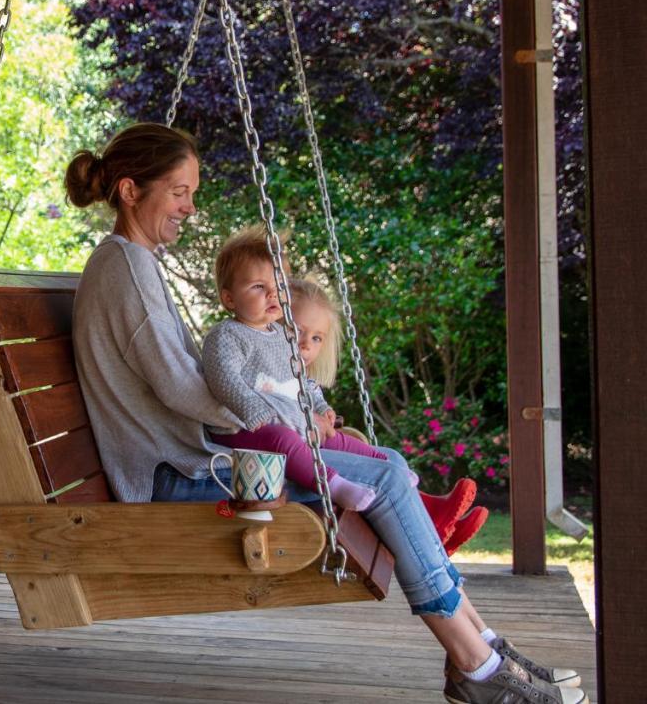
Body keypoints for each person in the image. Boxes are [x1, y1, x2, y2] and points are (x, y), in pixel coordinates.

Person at [64, 122, 582, 704]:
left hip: (192, 459)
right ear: (132, 191)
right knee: (385, 479)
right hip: (174, 473)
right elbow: (185, 390)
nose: (190, 205)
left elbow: (187, 385)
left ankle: (481, 646)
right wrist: (287, 415)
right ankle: (477, 666)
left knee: (383, 463)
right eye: (180, 191)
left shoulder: (134, 263)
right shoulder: (126, 268)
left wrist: (291, 414)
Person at [288, 274, 489, 553]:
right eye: (298, 332)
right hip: (302, 457)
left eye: (316, 338)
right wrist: (313, 419)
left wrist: (325, 411)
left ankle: (436, 525)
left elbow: (315, 396)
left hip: (317, 444)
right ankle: (434, 529)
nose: (306, 345)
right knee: (385, 470)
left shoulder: (301, 376)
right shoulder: (274, 374)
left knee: (392, 458)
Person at [201, 226, 394, 512]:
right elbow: (222, 376)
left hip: (286, 423)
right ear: (229, 299)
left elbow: (301, 381)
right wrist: (251, 408)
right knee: (283, 439)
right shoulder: (227, 335)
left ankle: (386, 468)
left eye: (279, 286)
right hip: (242, 429)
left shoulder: (281, 336)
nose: (272, 295)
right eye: (258, 287)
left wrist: (320, 405)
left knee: (335, 437)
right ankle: (334, 486)